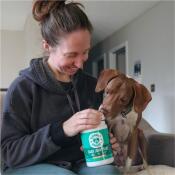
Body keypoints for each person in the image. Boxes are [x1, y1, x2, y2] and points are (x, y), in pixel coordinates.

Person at [1, 0, 121, 175]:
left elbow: (98, 131)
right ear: (47, 46)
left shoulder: (91, 86)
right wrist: (62, 130)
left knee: (108, 172)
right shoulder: (22, 88)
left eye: (85, 52)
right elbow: (10, 152)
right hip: (29, 165)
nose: (80, 64)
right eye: (71, 55)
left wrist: (106, 142)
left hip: (79, 161)